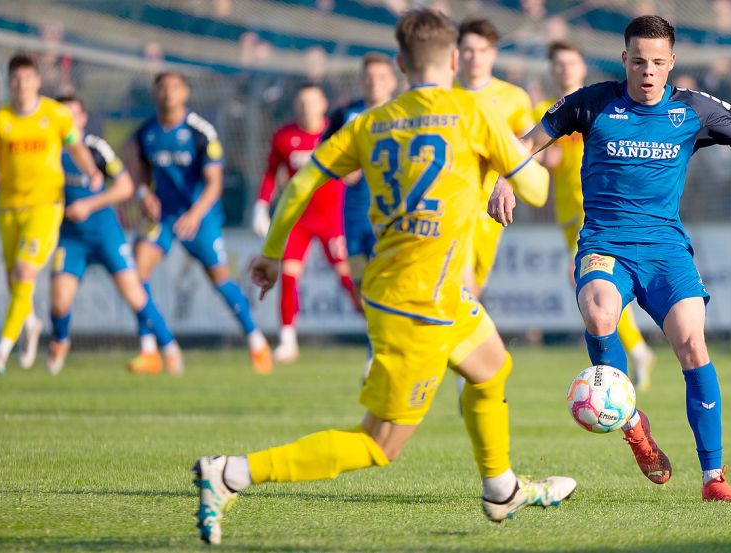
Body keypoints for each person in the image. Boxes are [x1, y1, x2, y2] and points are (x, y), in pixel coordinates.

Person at [192, 9, 574, 545]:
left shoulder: (371, 122)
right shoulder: (472, 112)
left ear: (399, 64)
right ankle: (231, 473)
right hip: (417, 306)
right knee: (379, 445)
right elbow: (534, 189)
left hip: (414, 288)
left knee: (490, 367)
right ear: (452, 60)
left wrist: (273, 252)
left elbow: (303, 182)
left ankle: (501, 488)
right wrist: (495, 165)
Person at [494, 15, 731, 502]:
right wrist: (503, 177)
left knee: (691, 342)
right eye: (638, 61)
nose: (647, 71)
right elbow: (527, 142)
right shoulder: (590, 103)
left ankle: (714, 479)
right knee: (600, 311)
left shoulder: (695, 110)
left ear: (672, 64)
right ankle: (631, 423)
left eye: (657, 63)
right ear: (624, 59)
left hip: (666, 249)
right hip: (605, 244)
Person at [128, 72, 271, 374]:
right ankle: (151, 349)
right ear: (155, 93)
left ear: (185, 93)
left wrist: (194, 214)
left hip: (200, 216)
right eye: (162, 88)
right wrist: (143, 195)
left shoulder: (200, 132)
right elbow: (140, 174)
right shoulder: (146, 133)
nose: (168, 93)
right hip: (164, 217)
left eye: (174, 87)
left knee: (220, 279)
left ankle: (256, 341)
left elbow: (214, 184)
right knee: (135, 275)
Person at [536, 40, 656, 390]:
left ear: (582, 66)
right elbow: (537, 155)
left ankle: (633, 352)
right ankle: (634, 351)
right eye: (557, 64)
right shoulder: (546, 111)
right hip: (569, 212)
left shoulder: (599, 105)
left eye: (570, 63)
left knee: (595, 284)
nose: (564, 70)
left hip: (600, 212)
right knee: (597, 285)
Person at [47, 96, 182, 375]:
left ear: (83, 118)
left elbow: (124, 188)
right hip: (70, 237)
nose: (70, 120)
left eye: (74, 114)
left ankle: (169, 347)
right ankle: (60, 341)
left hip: (105, 233)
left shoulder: (96, 149)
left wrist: (88, 204)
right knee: (59, 300)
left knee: (135, 294)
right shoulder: (49, 150)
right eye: (64, 115)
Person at [0, 54, 102, 376]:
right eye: (15, 78)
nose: (21, 84)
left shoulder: (54, 114)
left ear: (37, 81)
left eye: (27, 78)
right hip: (9, 207)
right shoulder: (1, 120)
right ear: (8, 81)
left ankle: (1, 350)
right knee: (15, 282)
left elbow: (76, 146)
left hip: (45, 205)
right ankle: (28, 324)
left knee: (26, 273)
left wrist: (92, 171)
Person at [252, 84, 357, 364]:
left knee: (349, 278)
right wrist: (261, 206)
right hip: (299, 219)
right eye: (301, 102)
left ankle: (376, 333)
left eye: (312, 102)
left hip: (333, 218)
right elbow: (271, 174)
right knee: (287, 276)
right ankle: (287, 341)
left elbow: (357, 166)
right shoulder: (284, 137)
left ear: (324, 104)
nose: (306, 107)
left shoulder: (336, 133)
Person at [323, 52, 399, 377]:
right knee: (360, 287)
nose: (374, 82)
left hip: (393, 215)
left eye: (381, 77)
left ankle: (379, 355)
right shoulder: (344, 113)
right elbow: (323, 153)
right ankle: (380, 347)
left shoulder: (404, 112)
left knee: (387, 287)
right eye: (369, 77)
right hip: (353, 216)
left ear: (393, 81)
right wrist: (341, 168)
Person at [454, 17, 535, 298]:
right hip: (450, 203)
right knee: (458, 285)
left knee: (472, 291)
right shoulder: (444, 94)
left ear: (493, 53)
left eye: (482, 50)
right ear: (457, 52)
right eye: (468, 50)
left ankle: (469, 340)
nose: (474, 57)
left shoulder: (514, 97)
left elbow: (530, 145)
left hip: (490, 206)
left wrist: (510, 178)